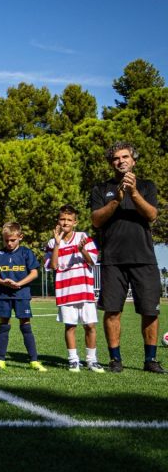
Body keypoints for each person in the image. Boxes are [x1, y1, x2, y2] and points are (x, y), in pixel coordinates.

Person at [90, 141, 162, 373]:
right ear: (111, 163)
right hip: (112, 259)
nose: (120, 161)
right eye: (115, 159)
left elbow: (151, 215)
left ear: (133, 160)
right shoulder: (101, 189)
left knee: (150, 311)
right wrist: (117, 199)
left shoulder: (147, 185)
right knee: (112, 311)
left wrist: (133, 192)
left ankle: (150, 360)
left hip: (144, 258)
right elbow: (96, 220)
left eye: (124, 157)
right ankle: (115, 360)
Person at [45, 205, 103, 372]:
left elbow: (92, 261)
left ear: (75, 222)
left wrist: (82, 250)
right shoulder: (51, 242)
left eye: (69, 219)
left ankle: (92, 360)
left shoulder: (84, 237)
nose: (65, 222)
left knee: (90, 326)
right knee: (70, 326)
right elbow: (54, 266)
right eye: (62, 219)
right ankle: (73, 360)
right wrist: (57, 244)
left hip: (84, 291)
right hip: (65, 291)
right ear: (58, 221)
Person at [0, 222, 45, 372]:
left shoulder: (26, 253)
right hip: (4, 295)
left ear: (20, 237)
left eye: (12, 240)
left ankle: (34, 361)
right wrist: (3, 281)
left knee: (25, 325)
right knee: (3, 326)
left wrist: (19, 283)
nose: (9, 243)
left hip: (22, 295)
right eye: (6, 240)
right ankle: (0, 360)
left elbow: (34, 273)